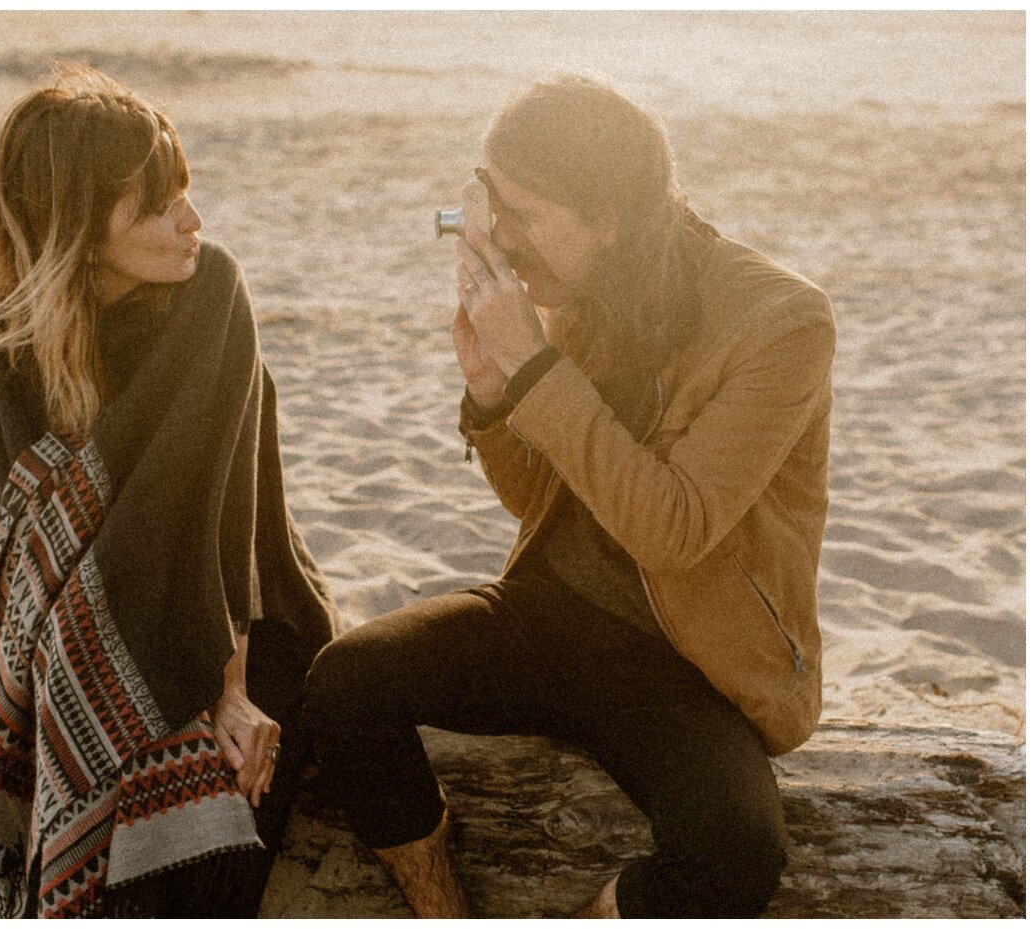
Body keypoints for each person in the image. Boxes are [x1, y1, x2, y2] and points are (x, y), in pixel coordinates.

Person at [304, 71, 834, 919]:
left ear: (611, 220)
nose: (502, 240)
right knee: (345, 682)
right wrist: (490, 392)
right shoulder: (582, 285)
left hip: (685, 661)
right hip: (551, 614)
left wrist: (537, 368)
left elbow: (674, 528)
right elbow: (536, 498)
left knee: (737, 853)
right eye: (492, 205)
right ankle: (441, 908)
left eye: (527, 215)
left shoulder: (783, 322)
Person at [0, 64, 338, 918]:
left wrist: (230, 693)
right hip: (66, 642)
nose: (192, 221)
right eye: (158, 208)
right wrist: (3, 706)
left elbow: (219, 516)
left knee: (205, 819)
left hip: (233, 617)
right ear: (83, 234)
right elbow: (3, 544)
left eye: (186, 193)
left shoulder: (210, 295)